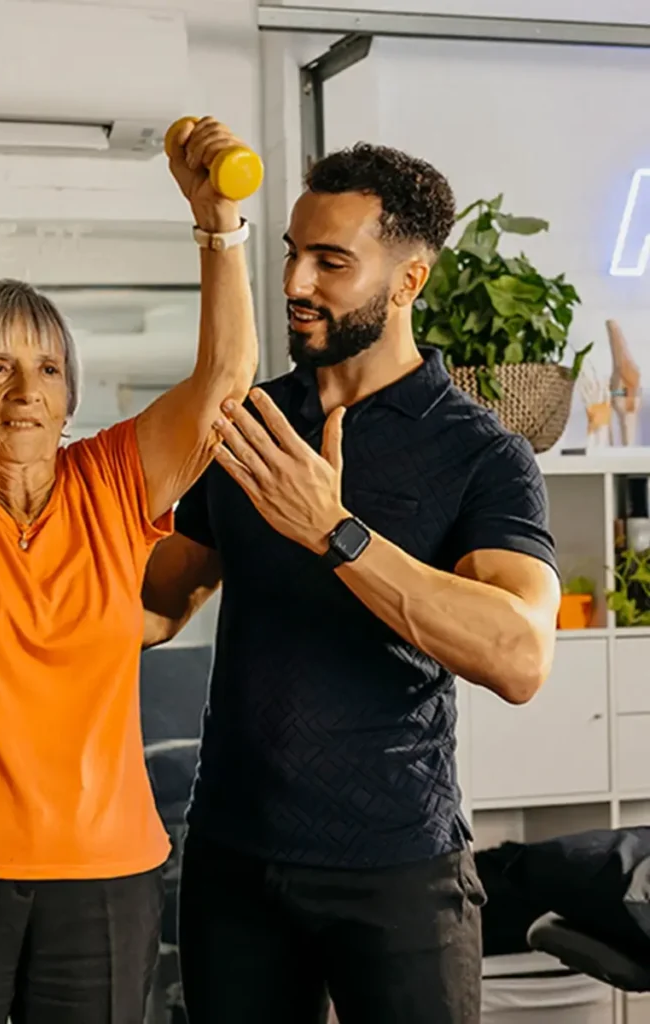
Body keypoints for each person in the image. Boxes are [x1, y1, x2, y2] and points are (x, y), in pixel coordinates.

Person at [0, 75, 259, 1024]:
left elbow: (224, 384)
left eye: (46, 369)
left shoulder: (111, 482)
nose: (26, 389)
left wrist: (220, 225)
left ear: (72, 398)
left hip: (104, 878)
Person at [141, 143, 561, 1024]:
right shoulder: (248, 423)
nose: (297, 280)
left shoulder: (481, 454)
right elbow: (149, 608)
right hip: (234, 862)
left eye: (332, 261)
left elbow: (519, 656)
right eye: (293, 250)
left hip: (399, 867)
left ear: (409, 281)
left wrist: (336, 534)